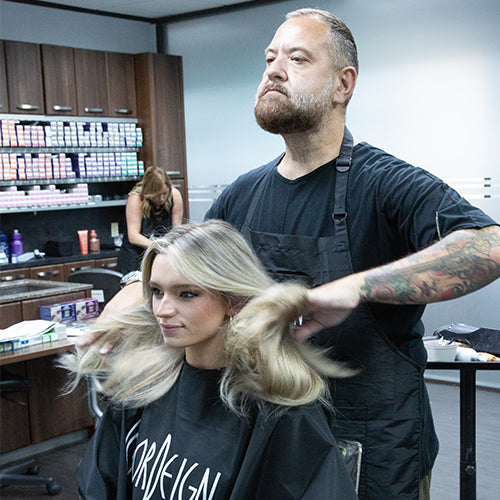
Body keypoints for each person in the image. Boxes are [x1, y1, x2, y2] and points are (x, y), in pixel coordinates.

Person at [80, 8, 500, 499]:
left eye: (297, 59)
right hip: (271, 438)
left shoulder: (386, 183)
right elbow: (187, 258)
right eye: (270, 58)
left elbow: (488, 244)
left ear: (344, 84)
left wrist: (356, 287)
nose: (274, 70)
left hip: (369, 441)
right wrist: (138, 290)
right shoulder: (244, 193)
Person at [63, 220, 358, 500]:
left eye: (187, 294)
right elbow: (99, 484)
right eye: (156, 292)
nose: (163, 310)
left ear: (234, 301)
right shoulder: (141, 388)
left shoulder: (280, 412)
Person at [117, 165, 183, 274]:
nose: (162, 199)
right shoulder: (136, 199)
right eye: (157, 195)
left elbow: (177, 230)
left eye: (164, 193)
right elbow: (134, 237)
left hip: (161, 255)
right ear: (149, 192)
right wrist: (160, 245)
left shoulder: (175, 195)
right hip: (135, 257)